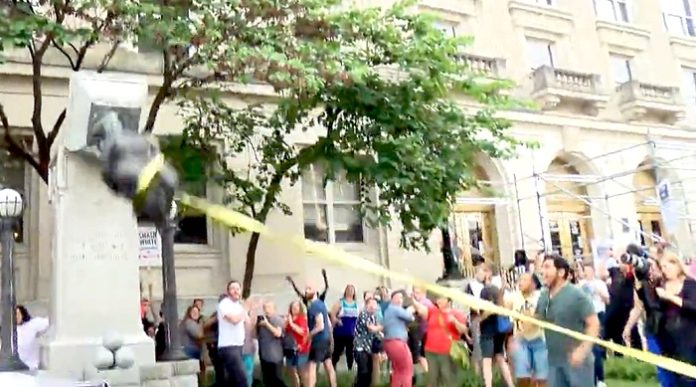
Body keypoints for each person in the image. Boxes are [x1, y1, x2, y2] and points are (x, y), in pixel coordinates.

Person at [536, 255, 599, 387]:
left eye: (547, 267)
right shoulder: (543, 296)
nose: (543, 272)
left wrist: (582, 350)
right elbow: (537, 320)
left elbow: (593, 324)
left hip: (577, 363)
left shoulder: (577, 295)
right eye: (542, 267)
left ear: (561, 272)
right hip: (553, 362)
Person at [656, 250, 696, 386]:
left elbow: (693, 307)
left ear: (676, 265)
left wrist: (670, 297)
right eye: (661, 268)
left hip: (690, 336)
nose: (664, 271)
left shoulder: (689, 284)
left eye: (666, 266)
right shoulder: (661, 286)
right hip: (670, 338)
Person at [416, 293, 468, 387]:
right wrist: (413, 300)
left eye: (441, 298)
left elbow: (463, 330)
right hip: (430, 351)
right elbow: (421, 310)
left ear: (448, 300)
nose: (438, 300)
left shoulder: (456, 313)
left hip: (447, 352)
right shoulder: (433, 311)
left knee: (448, 379)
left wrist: (455, 322)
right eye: (437, 298)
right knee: (432, 380)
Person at [511, 272, 548, 387]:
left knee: (542, 377)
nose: (520, 282)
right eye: (519, 279)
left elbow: (543, 316)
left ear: (532, 284)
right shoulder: (513, 296)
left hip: (539, 340)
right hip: (521, 341)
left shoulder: (540, 297)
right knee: (523, 377)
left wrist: (532, 319)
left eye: (524, 280)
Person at [579, 264, 609, 387]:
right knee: (590, 347)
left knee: (596, 346)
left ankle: (600, 379)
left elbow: (607, 300)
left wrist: (598, 291)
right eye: (585, 271)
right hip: (586, 317)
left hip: (598, 314)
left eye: (589, 270)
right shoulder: (580, 285)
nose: (587, 273)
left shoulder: (600, 284)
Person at [479, 285, 515, 387]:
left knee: (487, 361)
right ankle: (511, 384)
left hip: (487, 333)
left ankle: (488, 385)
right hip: (500, 333)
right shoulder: (501, 304)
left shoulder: (486, 305)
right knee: (500, 358)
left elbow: (481, 317)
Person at [217, 280, 249, 386]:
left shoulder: (239, 306)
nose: (235, 291)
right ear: (228, 292)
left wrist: (252, 310)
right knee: (242, 380)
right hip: (228, 347)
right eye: (232, 288)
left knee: (233, 381)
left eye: (238, 289)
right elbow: (234, 320)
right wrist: (245, 309)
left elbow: (249, 325)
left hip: (238, 346)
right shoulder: (224, 304)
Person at [383, 290, 416, 387]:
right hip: (397, 343)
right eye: (397, 297)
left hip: (390, 343)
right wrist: (410, 310)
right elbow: (410, 317)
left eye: (401, 298)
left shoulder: (388, 310)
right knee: (407, 369)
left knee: (397, 371)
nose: (400, 300)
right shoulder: (395, 309)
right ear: (392, 299)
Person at [305, 283, 337, 387]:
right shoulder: (322, 304)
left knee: (312, 366)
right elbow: (328, 323)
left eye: (309, 289)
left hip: (318, 340)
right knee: (328, 364)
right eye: (305, 289)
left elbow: (320, 326)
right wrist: (330, 336)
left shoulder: (314, 306)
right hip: (326, 338)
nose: (306, 291)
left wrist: (308, 336)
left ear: (315, 291)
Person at [466, 261, 490, 375]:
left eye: (485, 271)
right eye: (482, 271)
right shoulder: (472, 285)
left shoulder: (487, 285)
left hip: (489, 319)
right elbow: (470, 302)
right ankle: (477, 376)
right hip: (477, 318)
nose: (484, 274)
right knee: (478, 349)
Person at [354, 296, 382, 387]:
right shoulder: (364, 314)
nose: (374, 306)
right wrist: (383, 326)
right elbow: (371, 329)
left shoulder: (373, 316)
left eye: (375, 304)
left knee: (369, 373)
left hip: (368, 348)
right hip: (360, 348)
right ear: (366, 305)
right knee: (363, 373)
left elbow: (377, 331)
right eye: (371, 304)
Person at [256, 300, 286, 386]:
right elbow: (255, 336)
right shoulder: (262, 320)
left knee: (277, 381)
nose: (266, 310)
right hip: (265, 356)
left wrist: (266, 325)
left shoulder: (278, 320)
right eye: (264, 308)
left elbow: (278, 333)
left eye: (269, 307)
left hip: (275, 357)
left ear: (274, 309)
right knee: (268, 381)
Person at [330, 284, 359, 371]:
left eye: (352, 290)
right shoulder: (340, 302)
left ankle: (350, 369)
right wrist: (337, 321)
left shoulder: (356, 304)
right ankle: (332, 367)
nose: (350, 291)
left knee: (350, 352)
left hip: (351, 332)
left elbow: (358, 317)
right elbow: (332, 314)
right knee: (338, 350)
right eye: (348, 289)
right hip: (340, 331)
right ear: (345, 291)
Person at [15, 305, 49, 370]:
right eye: (14, 315)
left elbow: (50, 322)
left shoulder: (33, 324)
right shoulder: (8, 330)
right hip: (15, 367)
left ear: (23, 314)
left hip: (31, 366)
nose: (16, 317)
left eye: (18, 314)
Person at [285, 300, 310, 387]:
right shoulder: (289, 319)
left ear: (300, 308)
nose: (295, 308)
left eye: (297, 306)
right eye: (293, 307)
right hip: (290, 349)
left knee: (302, 373)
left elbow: (302, 332)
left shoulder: (302, 319)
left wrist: (291, 324)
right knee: (292, 371)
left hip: (301, 350)